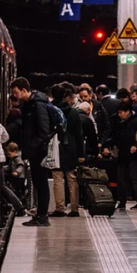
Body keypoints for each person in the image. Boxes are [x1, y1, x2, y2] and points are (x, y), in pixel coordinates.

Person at [10, 77, 53, 227]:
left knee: (41, 184)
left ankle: (42, 217)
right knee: (38, 183)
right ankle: (40, 215)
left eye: (16, 92)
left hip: (38, 152)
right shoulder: (29, 105)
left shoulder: (38, 105)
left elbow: (43, 130)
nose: (15, 95)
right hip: (35, 151)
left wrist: (32, 147)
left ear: (23, 90)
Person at [49, 85, 85, 217]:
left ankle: (60, 208)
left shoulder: (49, 110)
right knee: (72, 178)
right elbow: (79, 134)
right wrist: (81, 153)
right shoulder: (73, 112)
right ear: (65, 95)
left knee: (58, 178)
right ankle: (74, 208)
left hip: (55, 148)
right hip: (71, 147)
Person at [112, 101, 137, 209]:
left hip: (134, 155)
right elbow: (116, 136)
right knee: (121, 178)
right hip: (123, 153)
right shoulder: (121, 122)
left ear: (128, 111)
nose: (119, 115)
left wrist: (136, 145)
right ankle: (122, 201)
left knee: (135, 177)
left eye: (121, 112)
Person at [2, 142, 30, 215]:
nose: (9, 156)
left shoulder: (17, 159)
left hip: (18, 178)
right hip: (15, 177)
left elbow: (20, 166)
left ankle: (21, 205)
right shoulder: (13, 159)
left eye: (9, 154)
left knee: (18, 191)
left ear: (14, 151)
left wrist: (17, 172)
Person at [79, 83, 110, 148]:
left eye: (85, 96)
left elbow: (106, 125)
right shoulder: (78, 109)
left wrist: (102, 142)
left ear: (90, 95)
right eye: (81, 97)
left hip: (98, 142)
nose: (83, 99)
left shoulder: (99, 107)